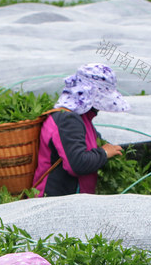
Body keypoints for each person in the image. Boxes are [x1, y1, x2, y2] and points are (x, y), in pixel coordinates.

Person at [33, 63, 128, 197]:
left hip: (70, 198)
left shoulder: (81, 118)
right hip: (54, 199)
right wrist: (104, 153)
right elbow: (77, 164)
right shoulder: (67, 120)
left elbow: (92, 143)